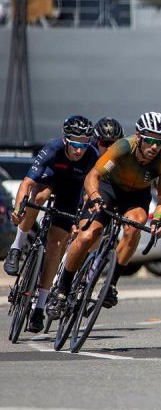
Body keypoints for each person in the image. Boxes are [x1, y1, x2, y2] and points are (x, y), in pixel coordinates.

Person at [46, 112, 161, 319]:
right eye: (150, 140)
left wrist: (158, 219)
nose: (154, 147)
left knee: (135, 226)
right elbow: (93, 176)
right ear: (139, 136)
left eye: (159, 142)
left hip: (136, 196)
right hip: (108, 189)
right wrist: (95, 197)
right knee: (88, 235)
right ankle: (62, 290)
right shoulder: (123, 147)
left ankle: (111, 285)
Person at [4, 116, 98, 332]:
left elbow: (91, 191)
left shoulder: (92, 156)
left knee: (55, 244)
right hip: (50, 179)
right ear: (66, 140)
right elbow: (27, 184)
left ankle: (39, 307)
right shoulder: (53, 148)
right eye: (74, 143)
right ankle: (17, 248)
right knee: (38, 197)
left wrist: (85, 214)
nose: (79, 149)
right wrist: (19, 210)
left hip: (71, 192)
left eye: (84, 143)